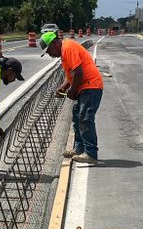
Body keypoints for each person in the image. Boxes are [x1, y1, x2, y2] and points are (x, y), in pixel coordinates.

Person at [39, 31, 103, 164]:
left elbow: (79, 72)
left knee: (85, 118)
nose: (50, 55)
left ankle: (91, 154)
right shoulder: (64, 52)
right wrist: (64, 87)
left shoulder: (68, 48)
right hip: (84, 87)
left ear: (55, 43)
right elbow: (72, 75)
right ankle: (79, 149)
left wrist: (72, 91)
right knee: (77, 117)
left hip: (91, 86)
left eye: (49, 50)